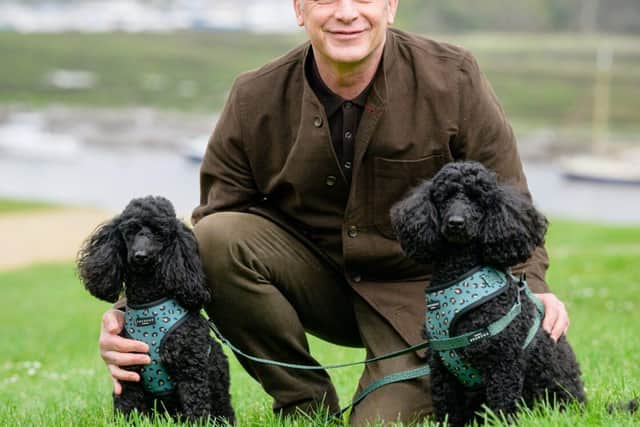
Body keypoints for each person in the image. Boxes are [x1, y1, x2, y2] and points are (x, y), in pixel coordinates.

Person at [98, 0, 571, 424]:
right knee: (218, 237)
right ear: (299, 9)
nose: (346, 12)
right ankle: (304, 403)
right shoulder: (251, 95)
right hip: (312, 280)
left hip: (423, 298)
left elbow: (508, 194)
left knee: (379, 424)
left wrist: (532, 286)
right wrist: (134, 317)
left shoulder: (455, 76)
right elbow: (205, 227)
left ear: (391, 5)